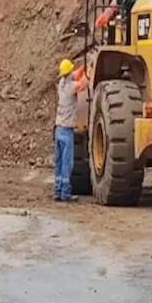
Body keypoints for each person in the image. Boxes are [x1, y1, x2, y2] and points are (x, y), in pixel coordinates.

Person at [54, 59, 83, 202]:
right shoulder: (72, 87)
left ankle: (58, 190)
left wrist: (83, 68)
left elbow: (74, 75)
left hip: (58, 130)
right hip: (67, 131)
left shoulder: (61, 84)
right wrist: (89, 71)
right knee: (67, 163)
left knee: (59, 162)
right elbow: (83, 84)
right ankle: (65, 193)